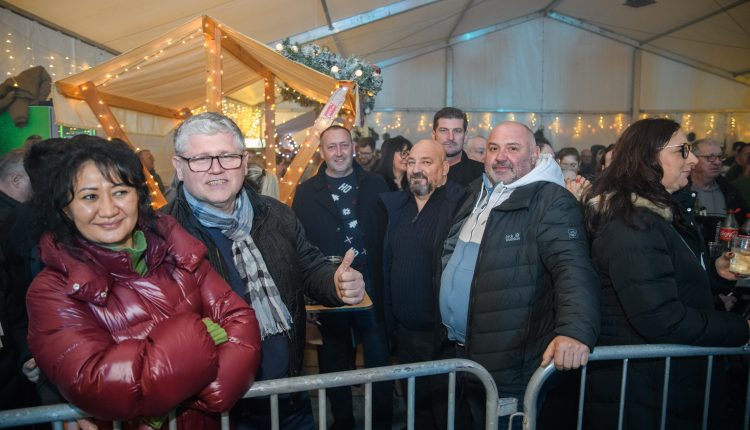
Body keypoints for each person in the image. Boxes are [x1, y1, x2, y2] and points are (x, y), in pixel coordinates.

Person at [25, 136, 261, 428]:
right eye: (89, 197)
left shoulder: (177, 249)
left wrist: (204, 390)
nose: (109, 210)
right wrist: (203, 335)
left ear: (138, 196)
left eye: (120, 192)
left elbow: (240, 320)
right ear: (65, 208)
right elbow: (97, 385)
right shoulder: (53, 289)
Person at [165, 112, 366, 429]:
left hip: (289, 398)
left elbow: (309, 266)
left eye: (227, 156)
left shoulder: (276, 215)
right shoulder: (161, 235)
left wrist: (335, 282)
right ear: (179, 167)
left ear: (244, 163)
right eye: (201, 159)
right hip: (215, 411)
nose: (216, 168)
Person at [582, 118, 750, 430]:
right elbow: (662, 318)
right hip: (644, 391)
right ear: (648, 158)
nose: (693, 159)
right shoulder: (632, 224)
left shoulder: (657, 213)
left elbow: (666, 276)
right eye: (682, 150)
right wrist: (742, 329)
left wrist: (713, 273)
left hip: (661, 384)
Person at [439, 121, 600, 429]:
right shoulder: (480, 193)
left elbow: (572, 267)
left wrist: (575, 331)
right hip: (466, 353)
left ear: (535, 154)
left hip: (511, 363)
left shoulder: (550, 200)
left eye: (512, 148)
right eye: (494, 148)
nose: (501, 156)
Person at [292, 125, 392, 430]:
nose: (339, 152)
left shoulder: (377, 183)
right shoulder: (306, 193)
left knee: (378, 358)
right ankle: (343, 421)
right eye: (331, 147)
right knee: (334, 359)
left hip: (372, 285)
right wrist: (309, 295)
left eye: (344, 145)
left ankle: (381, 422)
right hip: (330, 289)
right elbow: (300, 247)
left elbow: (390, 234)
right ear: (322, 152)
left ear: (353, 147)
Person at [381, 139, 468, 429]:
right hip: (405, 335)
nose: (416, 169)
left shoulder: (459, 207)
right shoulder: (397, 206)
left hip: (443, 339)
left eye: (426, 162)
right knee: (416, 415)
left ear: (444, 168)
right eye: (412, 162)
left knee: (446, 416)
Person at [689, 139, 747, 244]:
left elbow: (743, 228)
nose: (717, 162)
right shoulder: (680, 191)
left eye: (720, 157)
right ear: (693, 160)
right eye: (709, 157)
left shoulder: (730, 192)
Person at [432, 107, 484, 187]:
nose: (450, 137)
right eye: (443, 130)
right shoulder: (419, 171)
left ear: (465, 136)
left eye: (457, 131)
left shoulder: (482, 175)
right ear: (433, 135)